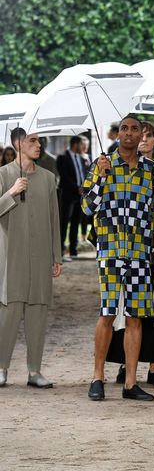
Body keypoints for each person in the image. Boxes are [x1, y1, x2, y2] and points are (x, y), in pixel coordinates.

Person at [83, 115, 154, 402]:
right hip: (110, 253)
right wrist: (101, 176)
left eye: (135, 129)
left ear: (142, 137)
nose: (129, 133)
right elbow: (87, 208)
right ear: (118, 133)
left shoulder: (151, 171)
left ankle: (131, 383)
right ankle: (97, 378)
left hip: (140, 255)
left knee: (135, 317)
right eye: (124, 128)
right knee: (108, 313)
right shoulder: (102, 165)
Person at [0, 128, 62, 389]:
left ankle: (34, 371)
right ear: (18, 143)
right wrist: (11, 192)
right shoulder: (3, 175)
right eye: (33, 140)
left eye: (40, 140)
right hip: (10, 255)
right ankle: (1, 368)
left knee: (38, 311)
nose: (39, 145)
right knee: (8, 312)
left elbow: (54, 218)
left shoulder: (48, 178)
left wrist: (56, 255)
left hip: (40, 257)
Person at [57, 136, 90, 262]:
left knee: (76, 222)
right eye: (82, 144)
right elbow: (64, 176)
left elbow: (83, 174)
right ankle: (60, 251)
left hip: (79, 195)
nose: (83, 147)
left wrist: (83, 187)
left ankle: (73, 250)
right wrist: (76, 187)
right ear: (75, 144)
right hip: (67, 195)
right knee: (64, 223)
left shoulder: (81, 158)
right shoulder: (63, 158)